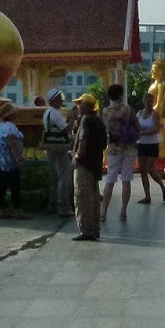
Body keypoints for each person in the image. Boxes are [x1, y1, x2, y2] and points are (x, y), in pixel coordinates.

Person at [100, 83, 139, 223]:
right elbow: (137, 126)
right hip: (129, 147)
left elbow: (106, 130)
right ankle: (123, 212)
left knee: (110, 179)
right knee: (126, 180)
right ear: (121, 95)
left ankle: (103, 211)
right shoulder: (128, 109)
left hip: (114, 148)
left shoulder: (106, 112)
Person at [70, 93, 105, 241]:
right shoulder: (99, 121)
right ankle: (95, 228)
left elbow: (83, 138)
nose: (78, 107)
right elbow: (104, 143)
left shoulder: (85, 120)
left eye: (80, 104)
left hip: (84, 164)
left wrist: (79, 153)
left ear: (86, 106)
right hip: (95, 164)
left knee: (82, 196)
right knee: (94, 197)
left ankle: (86, 230)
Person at [41, 88, 73, 218]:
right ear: (54, 100)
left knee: (54, 177)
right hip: (59, 147)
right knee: (63, 176)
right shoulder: (55, 113)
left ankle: (52, 203)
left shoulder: (47, 113)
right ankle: (63, 205)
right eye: (59, 98)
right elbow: (65, 129)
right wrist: (73, 119)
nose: (61, 101)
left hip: (50, 146)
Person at [135, 91, 165, 204]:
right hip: (141, 143)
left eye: (150, 101)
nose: (148, 103)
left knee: (151, 169)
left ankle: (163, 186)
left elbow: (156, 129)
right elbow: (136, 126)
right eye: (147, 101)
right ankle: (147, 195)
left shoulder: (155, 114)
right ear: (143, 102)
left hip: (152, 143)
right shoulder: (139, 113)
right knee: (142, 170)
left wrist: (143, 133)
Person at [0, 102, 25, 219]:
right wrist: (18, 158)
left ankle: (3, 209)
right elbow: (12, 144)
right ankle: (18, 210)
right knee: (15, 187)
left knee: (2, 187)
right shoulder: (10, 127)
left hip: (1, 162)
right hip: (10, 162)